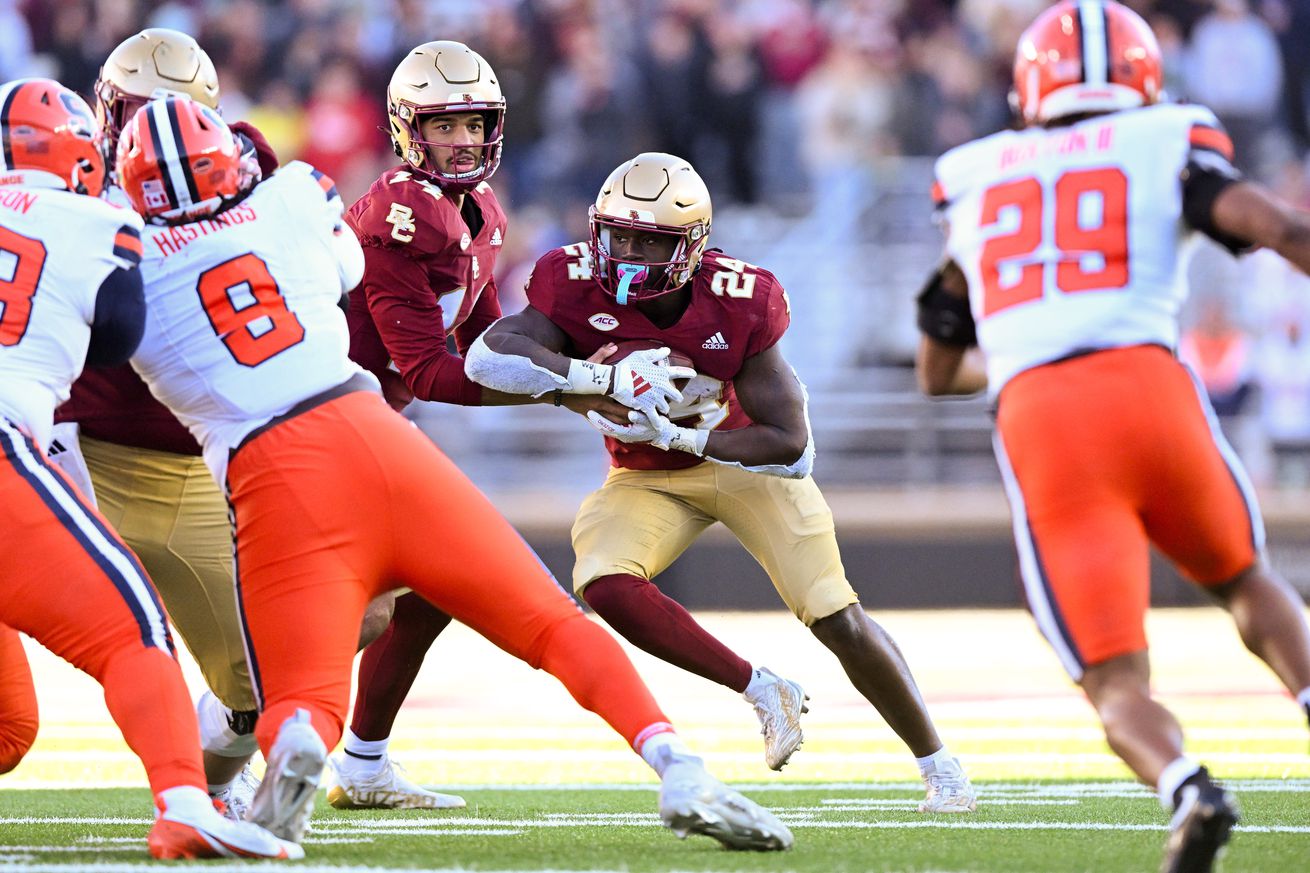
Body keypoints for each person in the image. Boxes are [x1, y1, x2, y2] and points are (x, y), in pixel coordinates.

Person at [116, 95, 792, 853]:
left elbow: (103, 351)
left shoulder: (126, 267)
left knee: (294, 684)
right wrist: (582, 381)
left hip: (272, 467)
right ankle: (675, 758)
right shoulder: (289, 201)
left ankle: (302, 738)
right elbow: (346, 268)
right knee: (548, 619)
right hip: (372, 426)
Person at [914, 2, 1310, 870]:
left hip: (1046, 419)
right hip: (1149, 385)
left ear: (1029, 88)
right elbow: (1277, 226)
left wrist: (1021, 350)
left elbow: (937, 367)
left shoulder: (974, 175)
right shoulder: (1163, 138)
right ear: (1142, 77)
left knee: (1112, 677)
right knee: (1245, 581)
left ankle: (1187, 785)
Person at [465, 151, 977, 813]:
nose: (630, 256)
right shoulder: (571, 280)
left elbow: (791, 445)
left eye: (651, 242)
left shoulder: (741, 298)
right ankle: (762, 687)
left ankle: (941, 763)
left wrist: (685, 436)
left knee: (836, 615)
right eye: (619, 236)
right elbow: (488, 356)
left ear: (692, 246)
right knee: (604, 582)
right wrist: (598, 381)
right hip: (644, 477)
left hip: (743, 466)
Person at [0, 76, 298, 861]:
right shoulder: (98, 222)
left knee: (7, 725)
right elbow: (117, 338)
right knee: (133, 631)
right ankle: (183, 801)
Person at [333, 39, 626, 810]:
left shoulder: (482, 208)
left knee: (430, 588)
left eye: (474, 122)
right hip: (327, 421)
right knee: (353, 609)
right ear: (408, 129)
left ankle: (360, 760)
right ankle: (241, 728)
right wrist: (568, 388)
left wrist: (585, 364)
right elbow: (432, 370)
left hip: (372, 419)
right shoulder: (399, 215)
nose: (463, 139)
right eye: (444, 124)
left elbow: (488, 339)